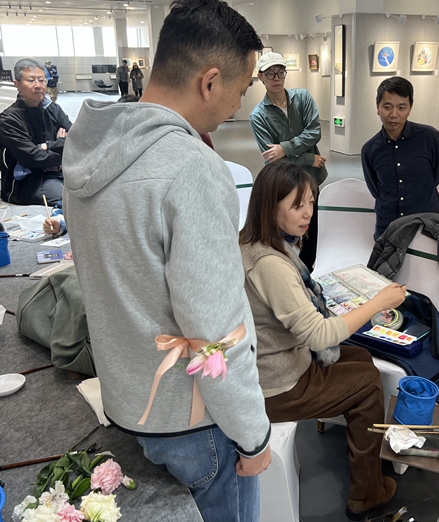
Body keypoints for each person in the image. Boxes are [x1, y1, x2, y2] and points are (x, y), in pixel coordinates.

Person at [62, 1, 271, 521]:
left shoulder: (90, 152)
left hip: (127, 401)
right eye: (242, 89)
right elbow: (215, 333)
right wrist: (253, 435)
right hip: (195, 421)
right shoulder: (192, 169)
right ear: (210, 81)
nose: (239, 105)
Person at [239, 160, 406, 522]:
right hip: (277, 385)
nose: (308, 214)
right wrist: (377, 303)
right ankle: (366, 493)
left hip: (271, 364)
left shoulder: (252, 242)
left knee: (360, 358)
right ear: (270, 207)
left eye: (311, 203)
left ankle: (363, 454)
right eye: (297, 205)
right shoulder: (271, 264)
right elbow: (318, 334)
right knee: (367, 382)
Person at [250, 52, 326, 272]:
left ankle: (307, 272)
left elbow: (315, 132)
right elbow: (272, 157)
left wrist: (284, 148)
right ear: (260, 77)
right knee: (283, 230)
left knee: (310, 226)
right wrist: (309, 158)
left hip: (310, 179)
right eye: (270, 73)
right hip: (282, 183)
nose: (276, 78)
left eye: (280, 72)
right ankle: (283, 271)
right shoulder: (258, 116)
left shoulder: (302, 98)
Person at [361, 76, 439, 240]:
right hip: (388, 227)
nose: (394, 114)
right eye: (387, 107)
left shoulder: (429, 137)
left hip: (426, 226)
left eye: (401, 107)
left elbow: (437, 175)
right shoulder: (369, 150)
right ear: (377, 107)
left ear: (410, 107)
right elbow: (375, 190)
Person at [0, 57, 73, 206]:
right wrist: (63, 147)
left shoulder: (53, 109)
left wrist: (48, 146)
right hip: (31, 181)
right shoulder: (10, 119)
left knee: (95, 192)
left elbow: (76, 140)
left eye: (42, 80)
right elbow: (33, 157)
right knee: (71, 201)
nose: (38, 85)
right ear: (17, 84)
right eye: (31, 80)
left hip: (62, 172)